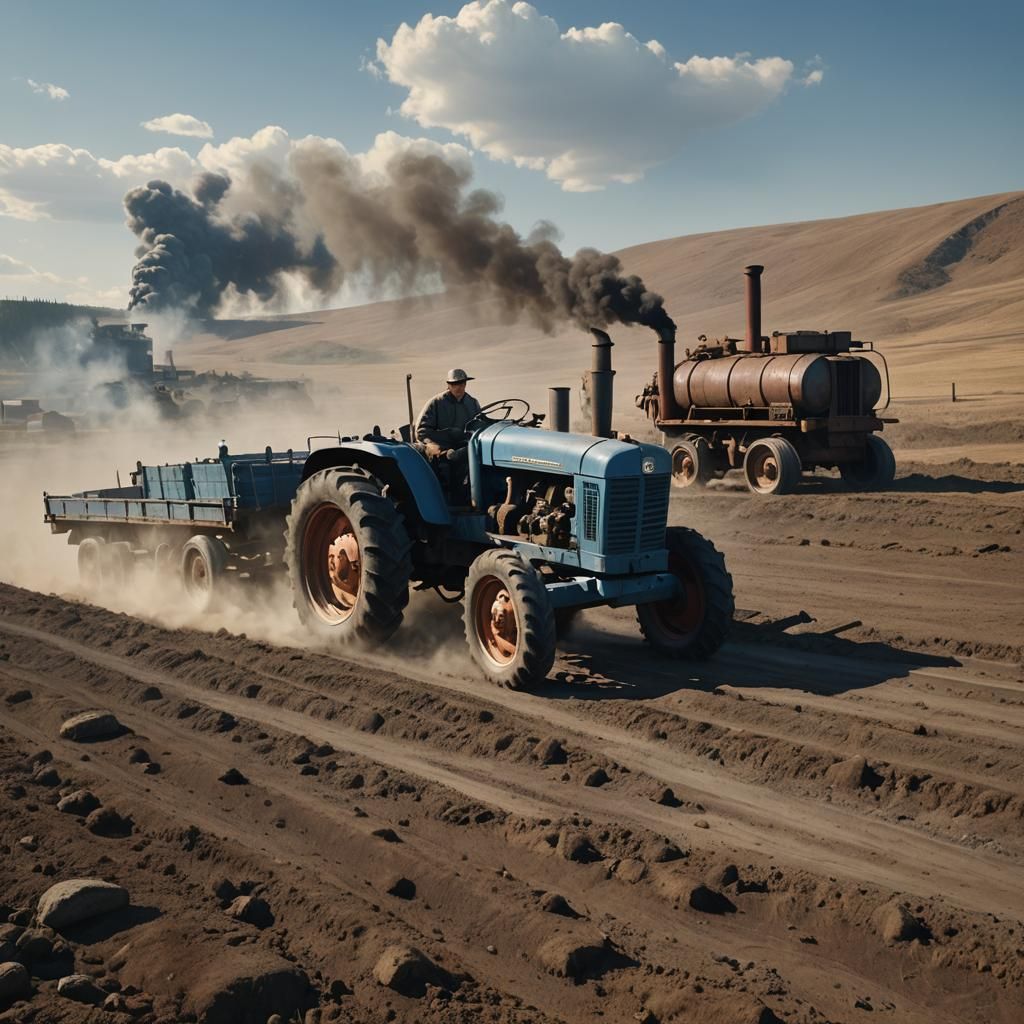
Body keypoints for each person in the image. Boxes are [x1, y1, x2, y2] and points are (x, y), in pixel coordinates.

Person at [415, 369, 482, 460]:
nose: (458, 387)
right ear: (448, 385)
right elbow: (422, 432)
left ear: (465, 384)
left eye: (461, 383)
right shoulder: (436, 403)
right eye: (454, 384)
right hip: (442, 453)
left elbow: (479, 427)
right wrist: (434, 444)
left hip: (467, 449)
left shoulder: (473, 403)